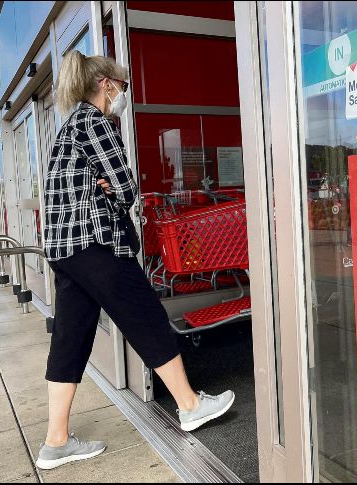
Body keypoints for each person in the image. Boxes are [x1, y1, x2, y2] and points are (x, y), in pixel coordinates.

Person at [36, 50, 235, 470]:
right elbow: (126, 188)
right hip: (95, 244)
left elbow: (91, 185)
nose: (124, 93)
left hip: (65, 249)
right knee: (145, 315)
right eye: (123, 86)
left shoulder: (68, 126)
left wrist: (103, 185)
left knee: (71, 337)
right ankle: (190, 405)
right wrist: (108, 188)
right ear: (106, 84)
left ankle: (56, 441)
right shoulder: (94, 121)